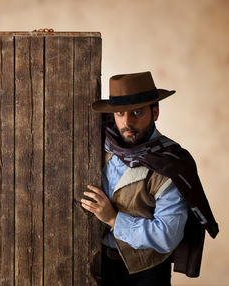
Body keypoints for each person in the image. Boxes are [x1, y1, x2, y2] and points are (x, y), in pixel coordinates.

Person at [80, 72, 219, 286]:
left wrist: (114, 219)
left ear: (155, 112)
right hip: (97, 265)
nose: (127, 122)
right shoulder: (99, 144)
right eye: (119, 113)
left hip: (146, 273)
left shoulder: (169, 164)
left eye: (137, 112)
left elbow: (167, 236)